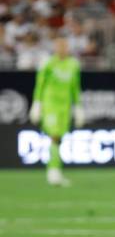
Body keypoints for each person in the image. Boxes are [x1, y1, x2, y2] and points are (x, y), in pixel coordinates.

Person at [29, 36, 84, 186]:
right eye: (59, 46)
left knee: (59, 138)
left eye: (64, 46)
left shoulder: (73, 64)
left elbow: (75, 87)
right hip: (50, 105)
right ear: (55, 48)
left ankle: (56, 170)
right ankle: (53, 172)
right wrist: (37, 104)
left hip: (65, 107)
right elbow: (40, 84)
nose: (62, 49)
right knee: (54, 136)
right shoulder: (48, 63)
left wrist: (78, 107)